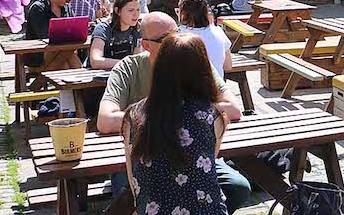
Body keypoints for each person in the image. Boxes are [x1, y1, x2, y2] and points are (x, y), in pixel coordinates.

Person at [99, 13, 250, 211]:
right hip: (147, 149)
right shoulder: (129, 69)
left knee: (238, 187)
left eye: (177, 32)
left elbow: (234, 109)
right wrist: (170, 116)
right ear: (146, 45)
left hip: (181, 158)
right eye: (166, 38)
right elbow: (105, 120)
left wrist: (165, 114)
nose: (175, 40)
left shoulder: (189, 61)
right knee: (124, 196)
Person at [122, 32, 227, 215]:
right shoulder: (212, 116)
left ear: (159, 67)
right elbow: (208, 164)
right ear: (204, 70)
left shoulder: (134, 115)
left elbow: (134, 180)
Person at [23, 0, 82, 70]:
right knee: (66, 62)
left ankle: (80, 82)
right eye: (67, 0)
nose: (68, 3)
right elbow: (44, 36)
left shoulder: (66, 8)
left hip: (61, 50)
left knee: (69, 56)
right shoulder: (38, 8)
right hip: (39, 53)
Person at [178, 0, 233, 77]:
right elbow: (228, 66)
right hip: (216, 87)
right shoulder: (218, 32)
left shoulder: (176, 35)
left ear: (183, 14)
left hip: (187, 88)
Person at [88, 0, 143, 70]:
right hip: (98, 74)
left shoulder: (137, 29)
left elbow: (137, 58)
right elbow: (95, 61)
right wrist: (126, 64)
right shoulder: (103, 28)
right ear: (117, 11)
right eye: (131, 10)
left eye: (138, 10)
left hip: (124, 73)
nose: (136, 14)